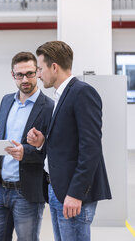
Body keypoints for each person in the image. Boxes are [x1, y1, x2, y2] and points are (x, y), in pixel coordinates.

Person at [27, 41, 112, 241]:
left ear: (54, 67)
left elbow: (90, 149)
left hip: (72, 192)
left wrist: (76, 193)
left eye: (40, 69)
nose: (38, 75)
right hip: (57, 188)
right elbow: (68, 143)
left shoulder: (82, 92)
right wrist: (42, 142)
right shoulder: (61, 95)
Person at [0, 52, 54, 241]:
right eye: (19, 75)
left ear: (37, 72)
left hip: (27, 192)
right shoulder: (6, 101)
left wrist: (26, 152)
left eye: (29, 73)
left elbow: (52, 149)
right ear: (13, 75)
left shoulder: (48, 107)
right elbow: (0, 131)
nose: (25, 79)